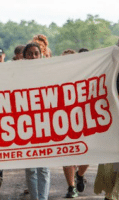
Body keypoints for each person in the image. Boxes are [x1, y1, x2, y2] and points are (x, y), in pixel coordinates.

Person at [23, 42, 51, 200]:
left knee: (44, 167)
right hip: (25, 124)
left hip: (44, 124)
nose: (33, 56)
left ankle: (44, 198)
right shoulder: (17, 74)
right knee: (31, 168)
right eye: (30, 53)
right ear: (24, 56)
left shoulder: (47, 73)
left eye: (36, 53)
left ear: (41, 55)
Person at [61, 48, 89, 198]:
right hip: (63, 121)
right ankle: (71, 187)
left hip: (82, 120)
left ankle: (80, 174)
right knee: (67, 155)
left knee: (87, 153)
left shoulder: (84, 76)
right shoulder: (56, 77)